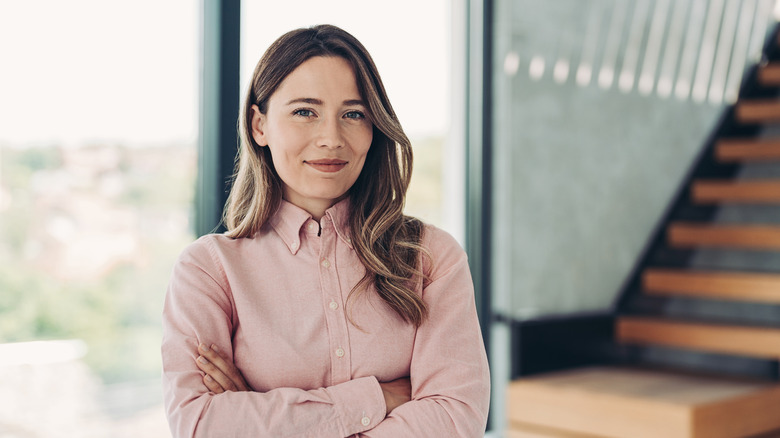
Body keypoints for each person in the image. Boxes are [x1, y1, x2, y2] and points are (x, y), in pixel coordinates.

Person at [161, 24, 490, 437]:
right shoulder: (209, 270)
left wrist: (262, 416)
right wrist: (379, 399)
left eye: (354, 114)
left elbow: (456, 416)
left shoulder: (430, 256)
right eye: (305, 112)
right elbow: (200, 425)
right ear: (259, 125)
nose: (332, 138)